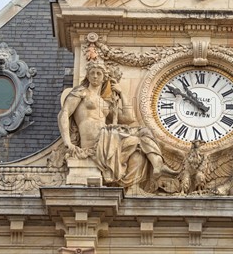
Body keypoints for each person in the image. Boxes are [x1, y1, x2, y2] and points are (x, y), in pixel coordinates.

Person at [58, 60, 174, 188]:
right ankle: (158, 164)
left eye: (99, 73)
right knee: (139, 136)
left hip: (108, 139)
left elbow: (129, 118)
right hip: (96, 142)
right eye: (92, 73)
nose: (95, 76)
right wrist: (67, 142)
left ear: (104, 78)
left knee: (140, 146)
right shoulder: (81, 92)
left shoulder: (105, 102)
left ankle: (157, 164)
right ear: (87, 76)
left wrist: (121, 94)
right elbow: (64, 113)